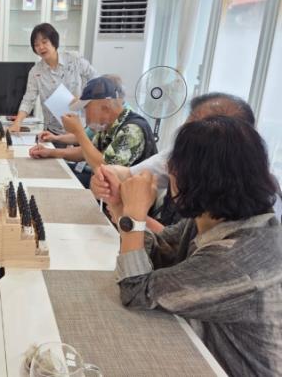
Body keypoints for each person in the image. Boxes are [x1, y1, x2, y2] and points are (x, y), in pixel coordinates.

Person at [114, 116, 282, 376]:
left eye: (173, 164)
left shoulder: (236, 257)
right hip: (200, 351)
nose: (168, 169)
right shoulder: (215, 217)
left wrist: (135, 215)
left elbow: (135, 292)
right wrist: (122, 208)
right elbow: (159, 251)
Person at [89, 92, 277, 231]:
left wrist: (134, 216)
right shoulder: (187, 157)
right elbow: (174, 245)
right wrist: (107, 182)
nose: (171, 167)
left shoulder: (241, 204)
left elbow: (177, 258)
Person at [29, 76, 157, 187]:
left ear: (105, 106)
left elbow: (106, 170)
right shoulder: (107, 125)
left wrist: (79, 133)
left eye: (86, 108)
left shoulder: (132, 130)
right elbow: (86, 152)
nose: (84, 114)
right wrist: (50, 152)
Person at [9, 23, 97, 134]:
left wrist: (82, 98)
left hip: (78, 130)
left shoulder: (74, 59)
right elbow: (28, 100)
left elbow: (97, 81)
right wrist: (17, 122)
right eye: (36, 45)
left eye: (44, 42)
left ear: (54, 41)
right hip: (52, 132)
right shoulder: (35, 72)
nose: (41, 47)